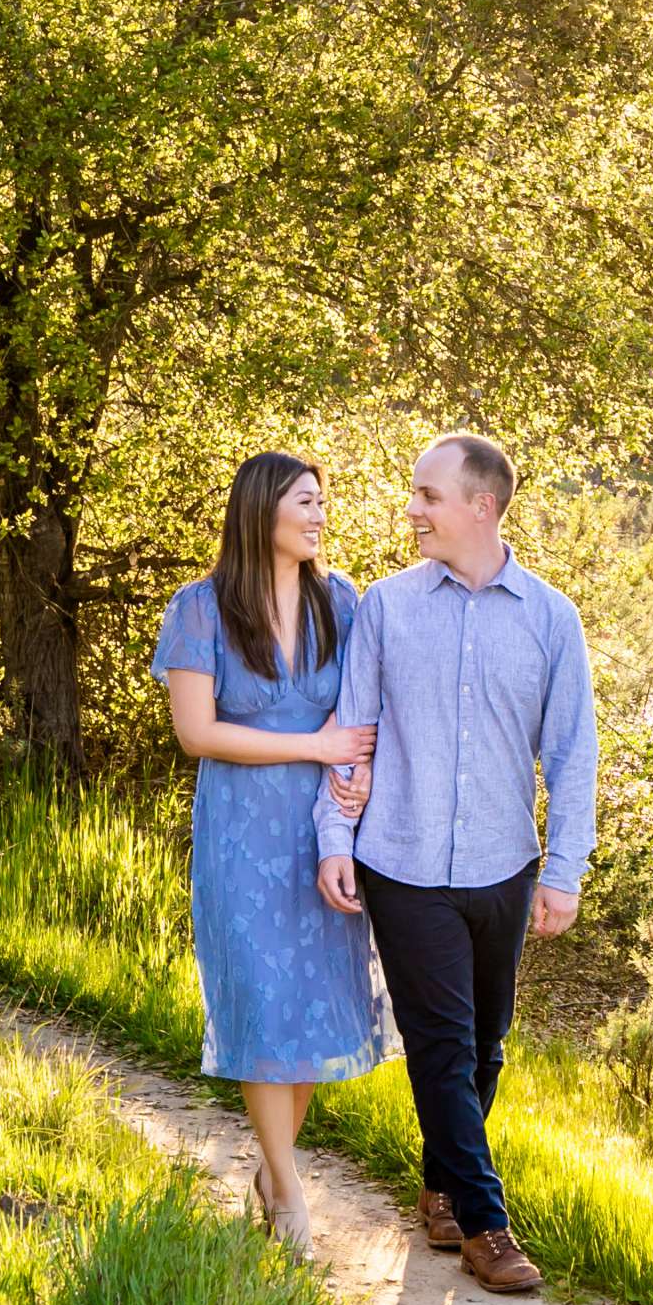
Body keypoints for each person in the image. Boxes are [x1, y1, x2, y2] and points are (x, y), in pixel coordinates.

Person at [313, 432, 596, 1294]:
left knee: (485, 1049)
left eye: (429, 496)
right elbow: (350, 735)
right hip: (401, 859)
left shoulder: (550, 617)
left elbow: (573, 753)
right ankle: (485, 1223)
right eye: (414, 494)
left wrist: (564, 871)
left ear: (482, 505)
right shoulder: (389, 609)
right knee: (440, 1046)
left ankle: (440, 1184)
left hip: (503, 865)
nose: (412, 510)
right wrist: (336, 837)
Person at [151, 452, 401, 1262]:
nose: (320, 515)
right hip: (242, 835)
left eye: (323, 502)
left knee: (307, 1010)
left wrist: (354, 791)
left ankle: (272, 1170)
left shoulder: (342, 603)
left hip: (325, 832)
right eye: (306, 501)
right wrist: (316, 741)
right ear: (262, 510)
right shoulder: (200, 609)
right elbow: (198, 734)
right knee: (261, 1006)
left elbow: (367, 717)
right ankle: (289, 1191)